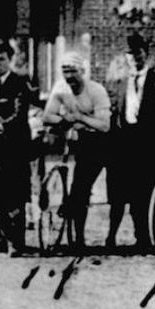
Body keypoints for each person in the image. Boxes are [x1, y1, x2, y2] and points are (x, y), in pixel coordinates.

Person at [104, 35, 155, 253]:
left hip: (151, 146)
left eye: (138, 53)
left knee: (151, 193)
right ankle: (140, 239)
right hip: (126, 144)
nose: (134, 58)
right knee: (128, 193)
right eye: (130, 54)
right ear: (126, 58)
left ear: (146, 54)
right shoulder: (121, 83)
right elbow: (116, 113)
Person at [41, 51, 110, 251]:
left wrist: (80, 118)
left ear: (82, 71)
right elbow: (47, 116)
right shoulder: (61, 87)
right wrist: (65, 120)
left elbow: (104, 126)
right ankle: (72, 219)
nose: (69, 76)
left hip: (101, 142)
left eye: (73, 71)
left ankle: (78, 234)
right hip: (77, 137)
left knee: (82, 183)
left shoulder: (96, 90)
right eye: (65, 71)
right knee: (76, 184)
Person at [0, 40, 36, 255]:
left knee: (16, 191)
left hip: (17, 144)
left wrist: (1, 123)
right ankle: (2, 238)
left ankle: (17, 242)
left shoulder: (20, 81)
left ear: (9, 60)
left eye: (2, 59)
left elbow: (19, 112)